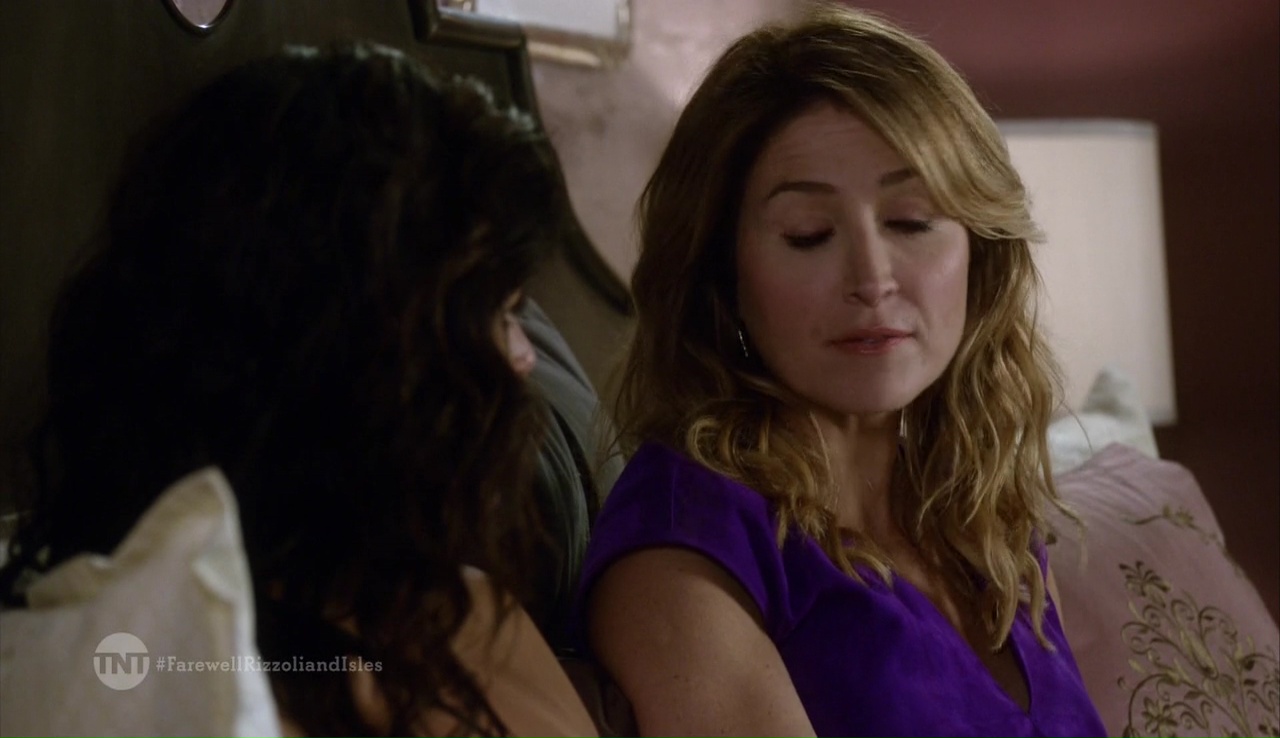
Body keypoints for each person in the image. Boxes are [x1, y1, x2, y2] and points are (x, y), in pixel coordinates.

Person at [0, 42, 596, 738]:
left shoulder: (466, 610)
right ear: (355, 357)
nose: (525, 359)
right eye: (499, 315)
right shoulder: (171, 676)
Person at [574, 5, 1107, 737]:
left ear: (977, 253)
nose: (873, 278)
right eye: (809, 235)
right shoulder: (683, 537)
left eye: (911, 221)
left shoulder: (981, 522)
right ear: (721, 274)